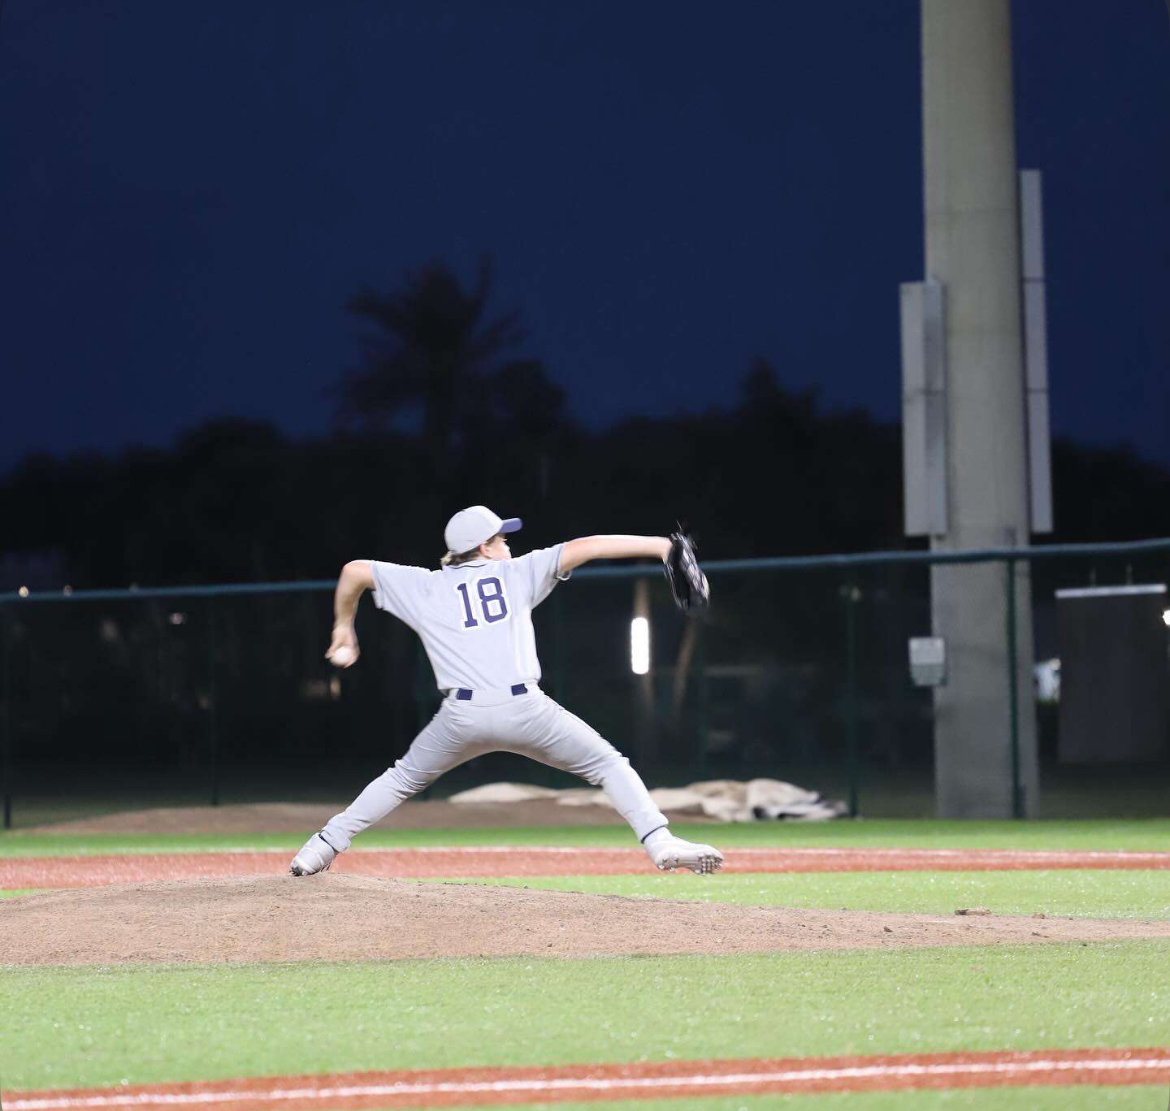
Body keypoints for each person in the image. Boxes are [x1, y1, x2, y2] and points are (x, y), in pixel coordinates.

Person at [290, 505, 724, 877]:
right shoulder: (516, 572)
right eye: (501, 538)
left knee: (401, 778)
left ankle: (321, 847)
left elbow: (354, 572)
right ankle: (659, 842)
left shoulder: (425, 585)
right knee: (609, 765)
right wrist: (663, 546)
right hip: (525, 710)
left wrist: (344, 628)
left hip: (461, 716)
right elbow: (590, 545)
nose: (508, 546)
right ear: (483, 547)